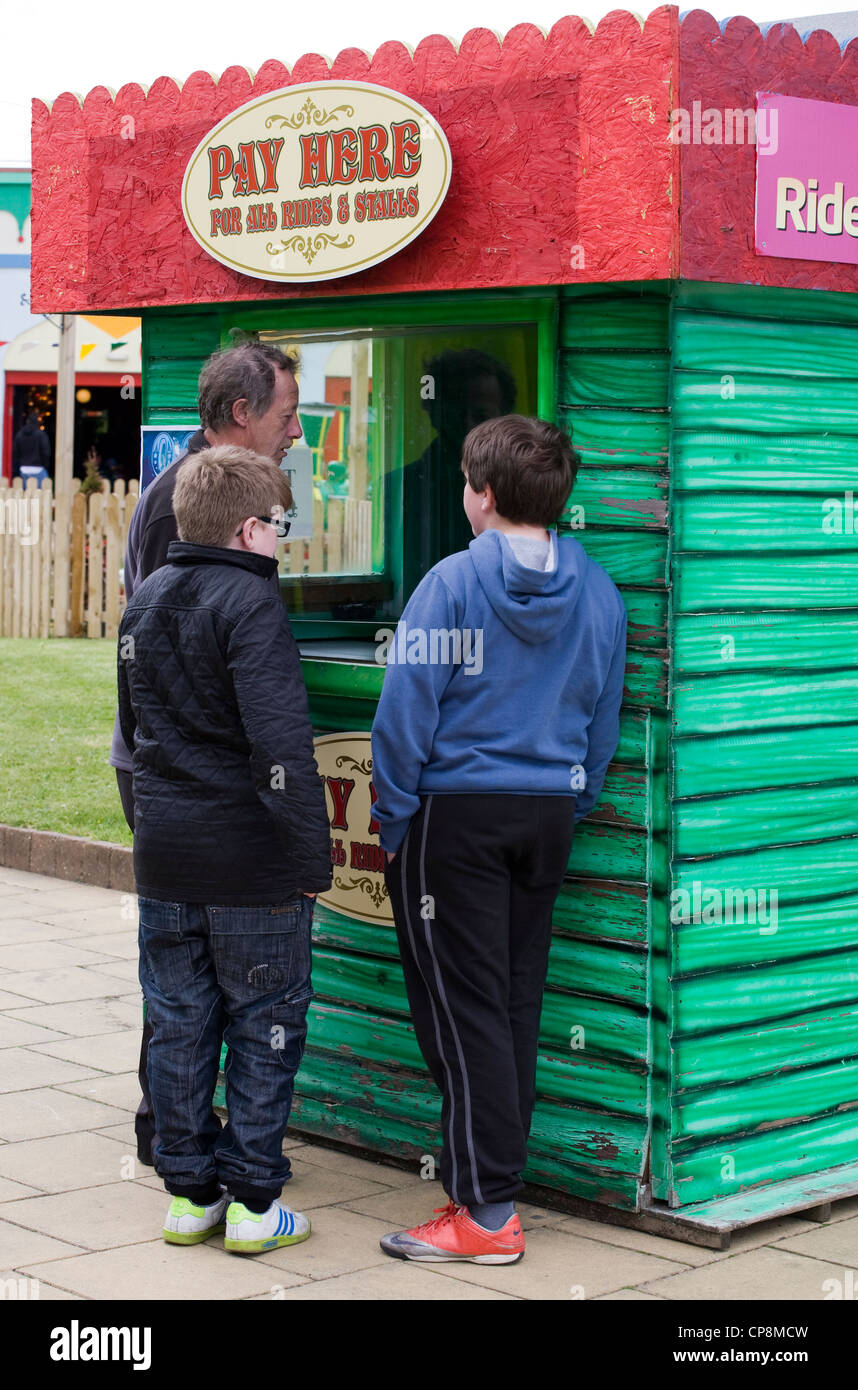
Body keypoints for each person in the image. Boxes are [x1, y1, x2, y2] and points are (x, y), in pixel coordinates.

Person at [370, 414, 627, 1265]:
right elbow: (601, 723)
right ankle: (488, 1191)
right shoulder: (599, 593)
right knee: (511, 1006)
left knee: (461, 1011)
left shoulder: (449, 585)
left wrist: (396, 817)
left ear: (481, 496)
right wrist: (568, 801)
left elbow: (404, 715)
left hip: (457, 821)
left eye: (468, 486)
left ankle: (485, 1214)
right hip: (547, 816)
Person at [117, 445, 331, 1253]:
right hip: (251, 862)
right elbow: (281, 751)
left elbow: (135, 736)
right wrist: (314, 859)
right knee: (266, 1023)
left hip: (166, 856)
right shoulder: (251, 604)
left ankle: (188, 1193)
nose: (284, 538)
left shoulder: (147, 600)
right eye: (280, 524)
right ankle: (253, 1199)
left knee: (178, 1021)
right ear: (249, 529)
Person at [109, 341, 303, 1168]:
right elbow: (180, 659)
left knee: (186, 977)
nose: (296, 430)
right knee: (190, 987)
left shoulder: (229, 501)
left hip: (182, 779)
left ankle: (192, 1157)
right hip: (182, 777)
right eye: (287, 415)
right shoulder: (177, 511)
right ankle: (177, 1138)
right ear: (240, 416)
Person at [13, 412, 51, 484]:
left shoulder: (19, 434)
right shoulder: (41, 435)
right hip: (39, 468)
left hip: (23, 469)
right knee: (43, 492)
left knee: (23, 493)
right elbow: (46, 453)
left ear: (27, 421)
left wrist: (16, 470)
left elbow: (16, 453)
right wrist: (45, 465)